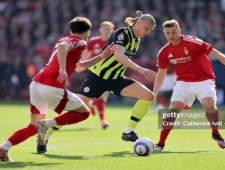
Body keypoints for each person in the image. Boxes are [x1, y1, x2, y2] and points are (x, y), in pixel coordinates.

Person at [36, 11, 156, 153]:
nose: (147, 32)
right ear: (139, 23)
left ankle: (128, 132)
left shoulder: (137, 39)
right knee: (75, 111)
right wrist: (139, 69)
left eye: (150, 30)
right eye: (146, 29)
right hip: (98, 78)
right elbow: (118, 56)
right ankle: (46, 131)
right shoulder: (122, 34)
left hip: (116, 78)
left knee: (148, 96)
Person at [0, 16, 116, 162]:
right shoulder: (79, 41)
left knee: (32, 127)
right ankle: (46, 125)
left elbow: (80, 67)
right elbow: (63, 48)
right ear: (87, 32)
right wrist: (62, 69)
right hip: (51, 85)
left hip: (36, 84)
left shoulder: (65, 40)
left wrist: (101, 56)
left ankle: (3, 149)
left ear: (70, 29)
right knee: (84, 113)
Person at [153, 19, 225, 151]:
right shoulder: (164, 52)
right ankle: (160, 143)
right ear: (164, 34)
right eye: (168, 33)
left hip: (204, 79)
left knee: (209, 103)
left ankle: (216, 133)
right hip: (183, 82)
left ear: (179, 31)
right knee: (174, 108)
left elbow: (218, 54)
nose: (171, 36)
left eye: (174, 32)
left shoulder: (193, 42)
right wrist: (154, 93)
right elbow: (161, 74)